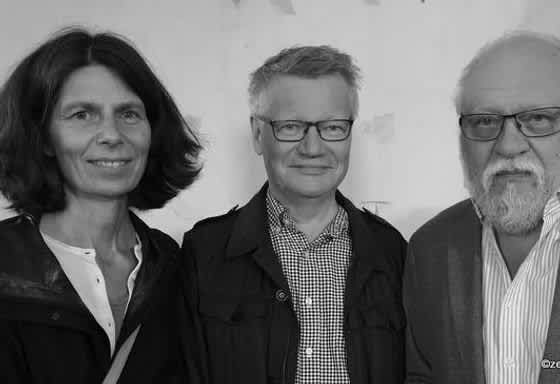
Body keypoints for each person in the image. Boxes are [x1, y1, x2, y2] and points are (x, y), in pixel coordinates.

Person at [182, 45, 407, 384]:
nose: (312, 148)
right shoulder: (204, 252)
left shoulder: (393, 253)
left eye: (332, 127)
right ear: (258, 134)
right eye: (290, 126)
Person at [0, 27, 206, 383]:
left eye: (129, 114)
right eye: (82, 115)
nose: (112, 135)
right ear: (43, 137)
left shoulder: (174, 266)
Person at [404, 31, 560, 384]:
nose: (509, 145)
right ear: (462, 142)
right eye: (485, 122)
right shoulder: (431, 249)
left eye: (538, 119)